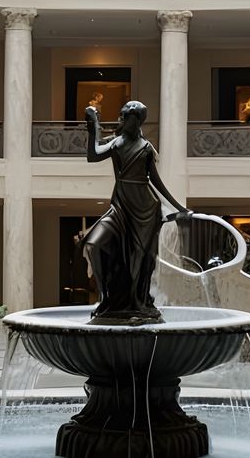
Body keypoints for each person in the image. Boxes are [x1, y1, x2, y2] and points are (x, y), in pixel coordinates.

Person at [79, 101, 190, 324]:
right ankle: (106, 298)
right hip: (120, 206)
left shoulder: (145, 148)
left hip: (145, 211)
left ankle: (136, 303)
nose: (119, 119)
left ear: (136, 119)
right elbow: (93, 155)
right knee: (93, 245)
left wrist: (180, 208)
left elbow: (156, 183)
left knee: (137, 263)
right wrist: (93, 128)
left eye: (123, 116)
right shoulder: (116, 143)